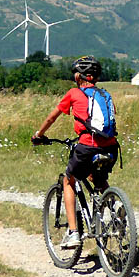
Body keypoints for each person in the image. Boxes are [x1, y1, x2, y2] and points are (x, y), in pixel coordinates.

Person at [32, 56, 119, 249]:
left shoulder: (74, 93)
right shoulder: (105, 95)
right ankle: (115, 207)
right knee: (96, 177)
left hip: (87, 145)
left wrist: (39, 134)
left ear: (80, 76)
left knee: (68, 180)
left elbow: (52, 118)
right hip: (111, 147)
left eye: (75, 74)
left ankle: (73, 233)